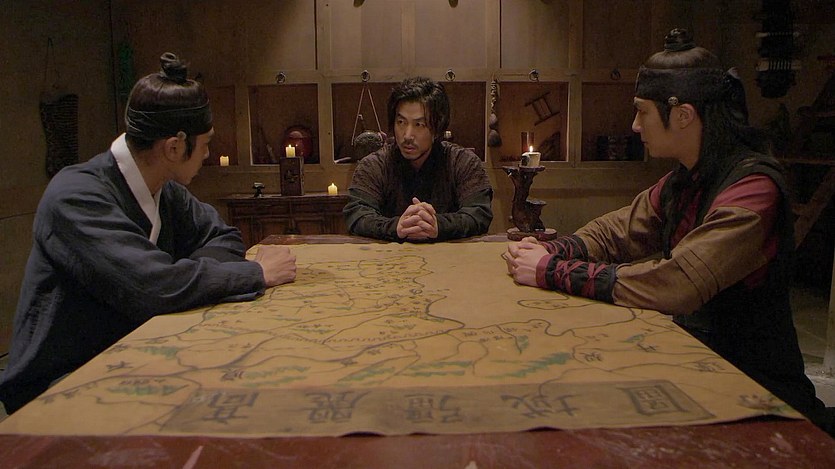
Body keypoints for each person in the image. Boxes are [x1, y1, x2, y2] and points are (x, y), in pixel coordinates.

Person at [503, 29, 835, 436]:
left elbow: (677, 283)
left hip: (754, 390)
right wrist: (554, 248)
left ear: (682, 115)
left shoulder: (753, 189)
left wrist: (551, 270)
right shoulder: (686, 178)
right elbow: (618, 231)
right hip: (699, 365)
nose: (634, 125)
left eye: (642, 112)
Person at [0, 53, 296, 415]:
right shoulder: (76, 196)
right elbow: (153, 287)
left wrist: (178, 277)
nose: (207, 154)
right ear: (174, 147)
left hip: (135, 352)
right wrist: (254, 273)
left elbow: (224, 238)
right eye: (205, 144)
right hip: (64, 377)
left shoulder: (164, 190)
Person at [343, 76, 493, 242]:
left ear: (438, 128)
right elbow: (357, 215)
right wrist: (397, 227)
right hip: (388, 256)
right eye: (401, 122)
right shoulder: (374, 166)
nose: (407, 135)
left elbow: (479, 213)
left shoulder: (462, 162)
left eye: (419, 125)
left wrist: (438, 225)